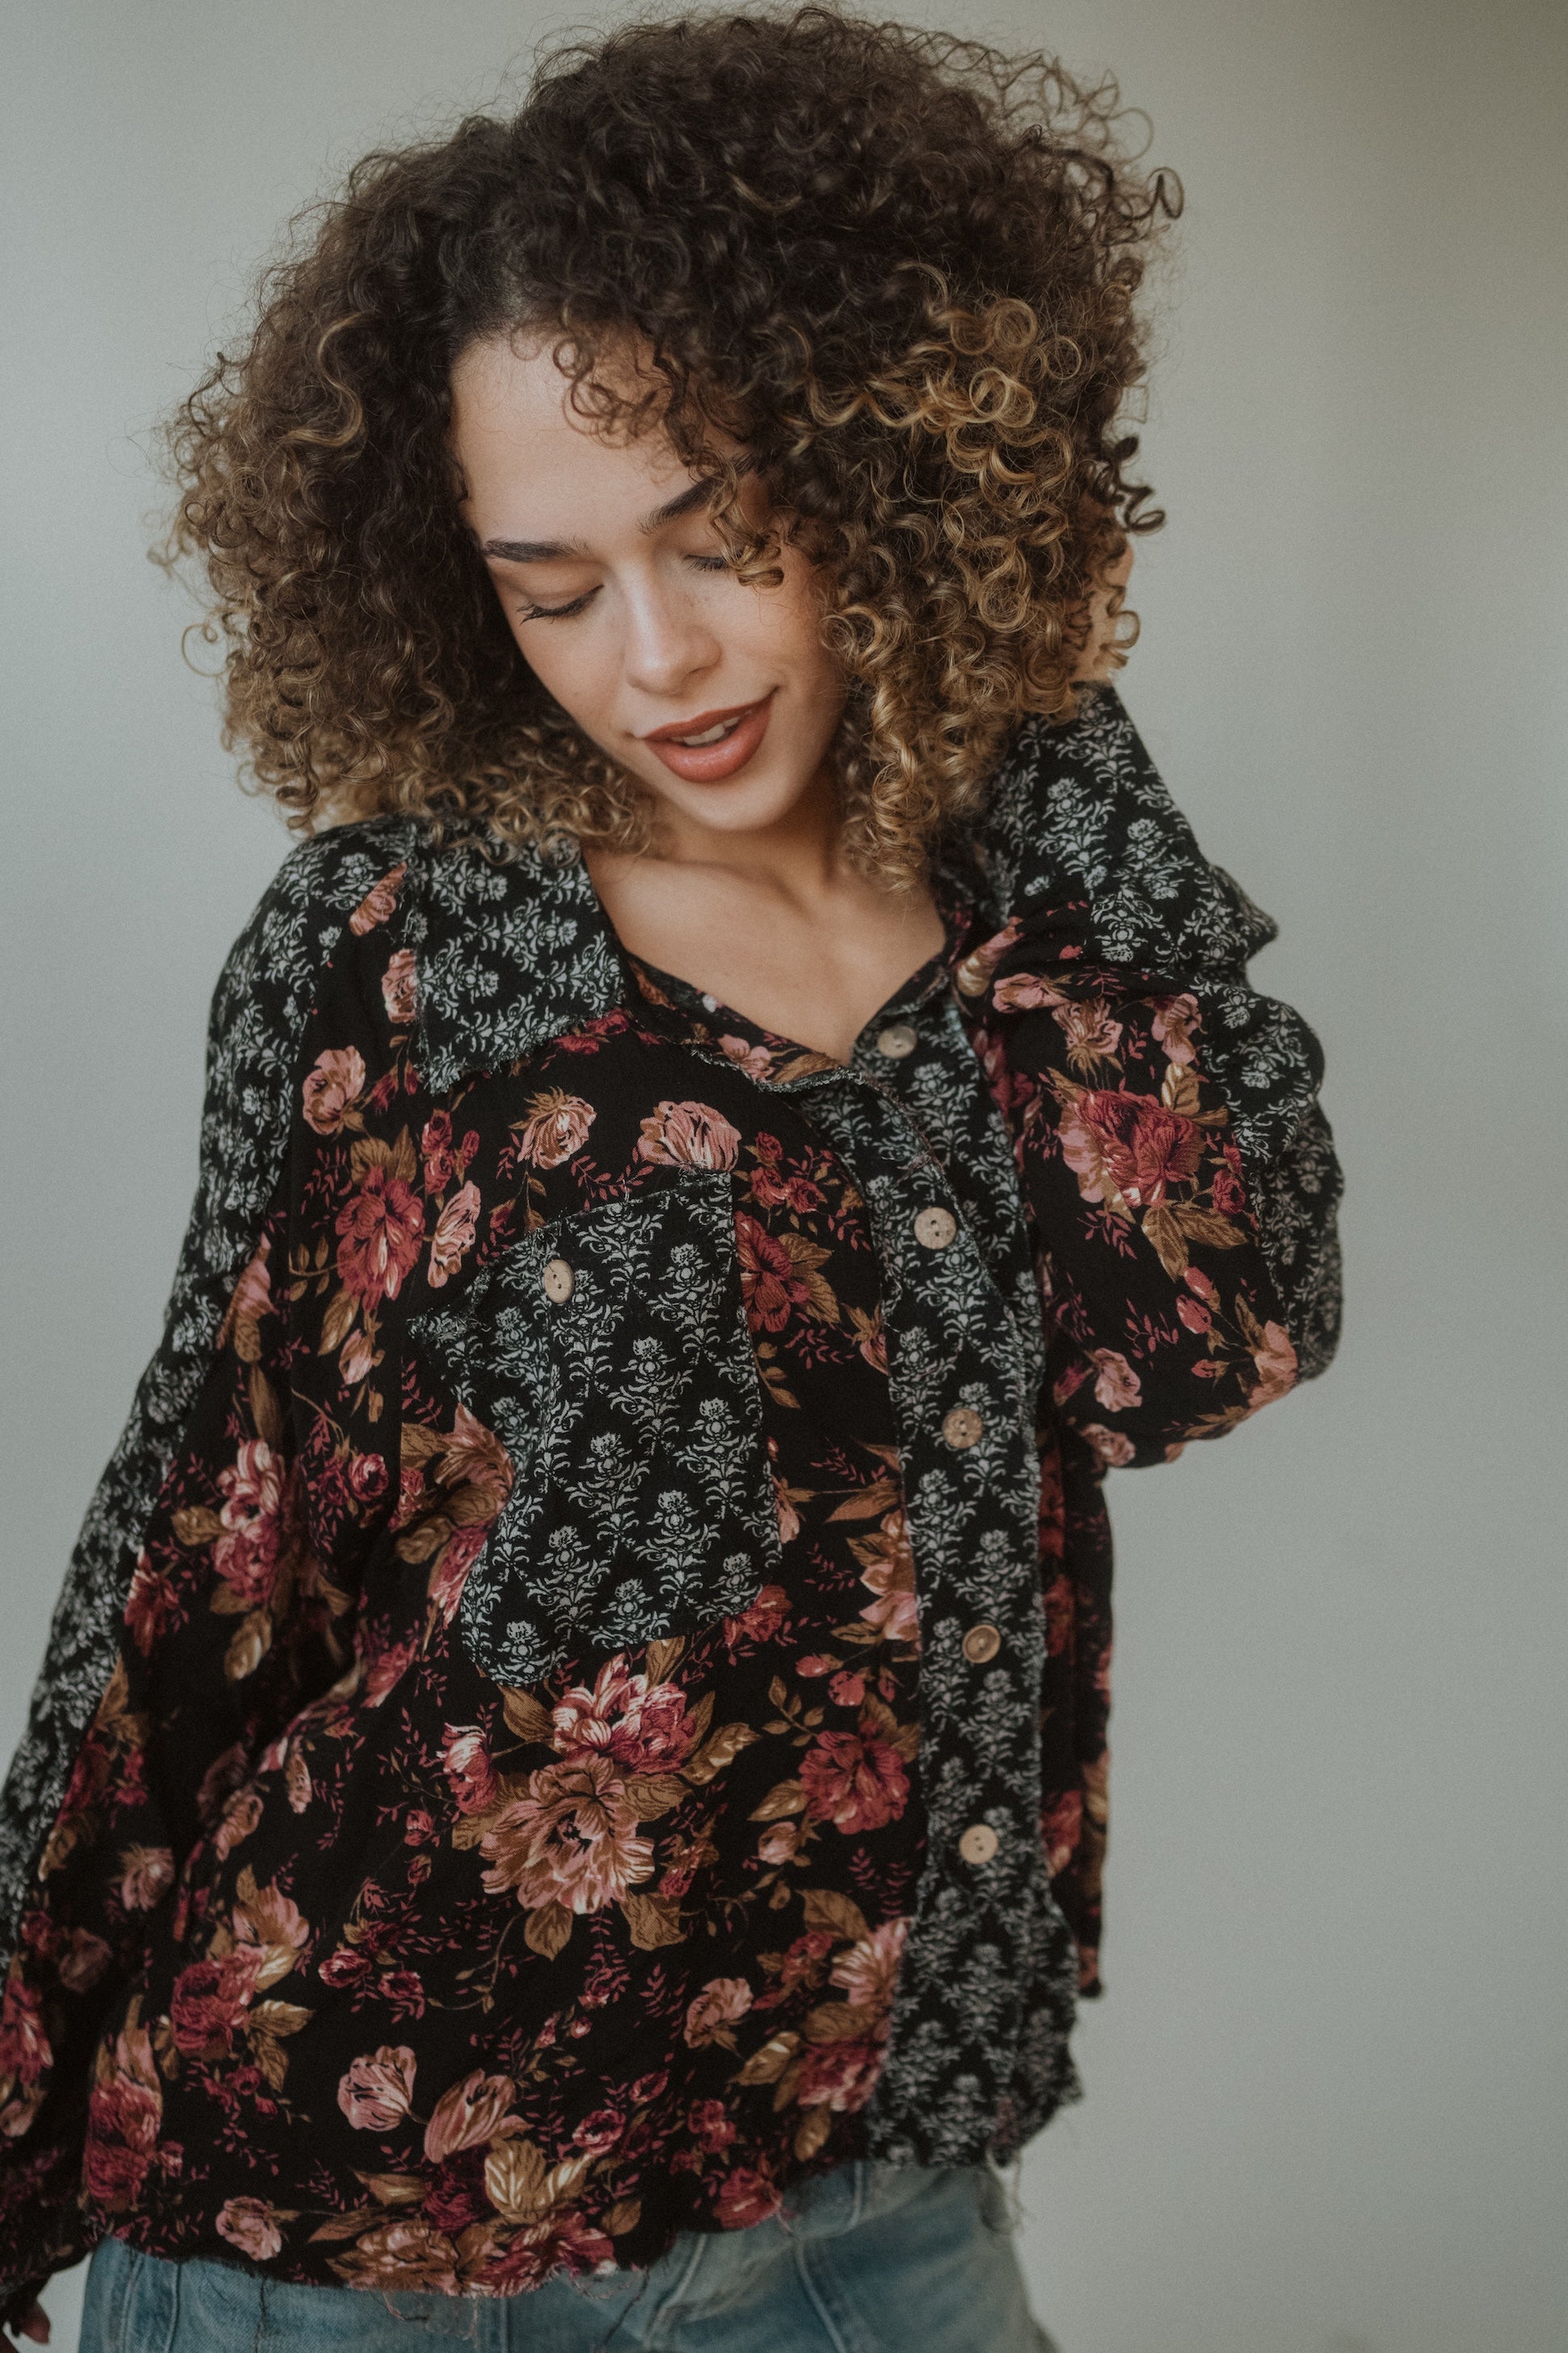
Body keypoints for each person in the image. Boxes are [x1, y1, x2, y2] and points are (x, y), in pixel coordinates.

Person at [0, 11, 1341, 2349]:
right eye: (554, 586)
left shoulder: (1019, 922)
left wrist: (1046, 709)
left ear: (893, 473)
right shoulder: (407, 946)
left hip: (858, 2192)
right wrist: (19, 2106)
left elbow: (1199, 1344)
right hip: (344, 2221)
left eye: (726, 540)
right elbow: (211, 1544)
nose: (659, 657)